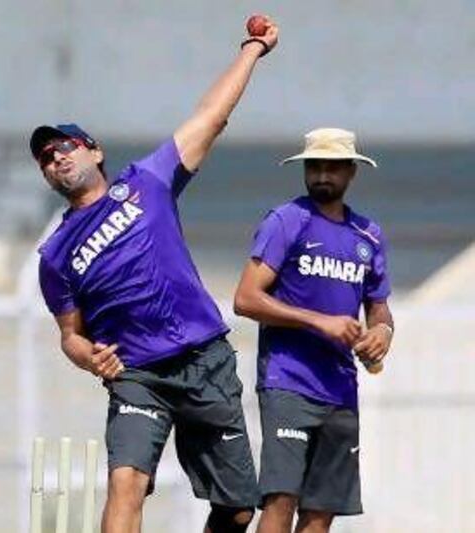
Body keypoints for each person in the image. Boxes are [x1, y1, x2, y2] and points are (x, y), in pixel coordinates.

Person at [32, 17, 279, 533]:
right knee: (126, 483)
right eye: (46, 159)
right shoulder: (55, 254)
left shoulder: (147, 181)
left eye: (65, 147)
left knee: (236, 510)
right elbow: (70, 337)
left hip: (204, 359)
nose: (56, 158)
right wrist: (89, 357)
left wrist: (252, 50)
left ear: (94, 151)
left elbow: (210, 116)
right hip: (137, 375)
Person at [233, 128, 395, 533]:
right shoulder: (287, 221)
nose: (323, 175)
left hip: (340, 387)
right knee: (280, 497)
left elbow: (379, 308)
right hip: (288, 381)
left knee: (322, 510)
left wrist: (382, 335)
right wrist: (319, 321)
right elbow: (246, 299)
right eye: (315, 166)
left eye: (333, 167)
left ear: (351, 173)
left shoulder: (368, 234)